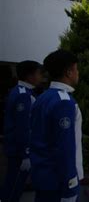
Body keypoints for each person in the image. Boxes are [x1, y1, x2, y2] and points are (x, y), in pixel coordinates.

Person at [30, 50, 82, 202]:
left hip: (42, 176)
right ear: (69, 72)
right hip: (58, 182)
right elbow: (64, 148)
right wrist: (70, 184)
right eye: (76, 69)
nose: (78, 73)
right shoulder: (64, 102)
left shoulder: (42, 97)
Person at [2, 61, 42, 202]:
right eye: (38, 73)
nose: (41, 77)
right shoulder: (23, 96)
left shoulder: (19, 92)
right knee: (14, 187)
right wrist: (25, 154)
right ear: (29, 76)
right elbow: (22, 127)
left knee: (12, 183)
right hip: (18, 151)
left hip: (15, 148)